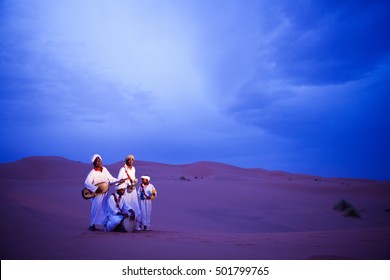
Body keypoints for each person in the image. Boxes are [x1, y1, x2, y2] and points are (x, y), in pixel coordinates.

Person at [84, 154, 125, 231]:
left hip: (105, 194)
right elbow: (87, 183)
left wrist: (119, 181)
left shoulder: (105, 170)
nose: (98, 162)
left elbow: (111, 179)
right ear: (94, 163)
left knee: (105, 209)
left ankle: (105, 224)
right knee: (95, 209)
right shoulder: (92, 172)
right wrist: (95, 189)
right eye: (96, 161)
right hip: (97, 195)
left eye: (99, 160)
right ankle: (92, 225)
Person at [117, 154, 142, 230]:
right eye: (129, 159)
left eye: (132, 159)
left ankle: (136, 225)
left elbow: (133, 179)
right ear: (126, 161)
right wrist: (125, 184)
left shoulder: (133, 169)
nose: (131, 161)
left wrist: (134, 182)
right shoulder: (122, 169)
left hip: (133, 190)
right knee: (127, 206)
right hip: (126, 191)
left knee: (135, 206)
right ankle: (125, 225)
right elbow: (119, 180)